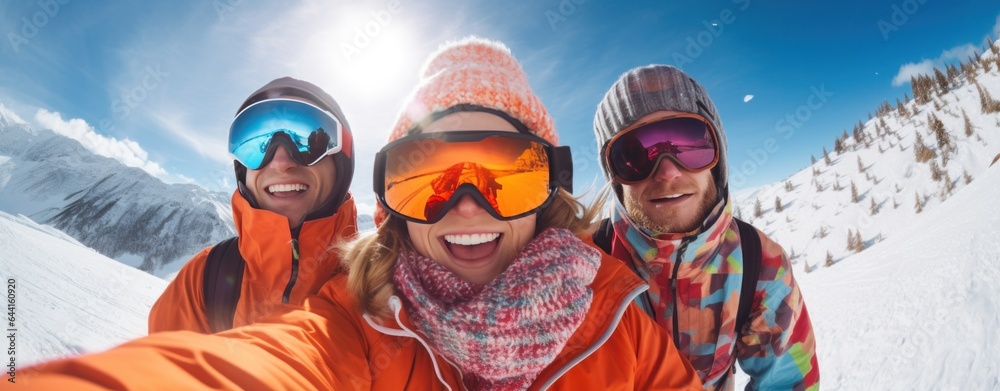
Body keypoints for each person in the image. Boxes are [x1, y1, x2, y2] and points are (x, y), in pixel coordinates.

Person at [22, 38, 702, 390]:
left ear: (550, 186)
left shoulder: (623, 328)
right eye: (428, 174)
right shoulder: (361, 323)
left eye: (504, 170)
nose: (467, 202)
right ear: (393, 206)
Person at [591, 65, 820, 390]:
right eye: (636, 155)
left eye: (689, 145)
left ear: (719, 157)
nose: (668, 171)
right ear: (614, 177)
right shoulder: (582, 266)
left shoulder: (761, 265)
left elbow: (787, 382)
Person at [147, 77, 358, 333]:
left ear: (342, 164)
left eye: (310, 144)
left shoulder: (384, 291)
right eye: (258, 145)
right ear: (242, 171)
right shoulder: (202, 281)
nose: (280, 161)